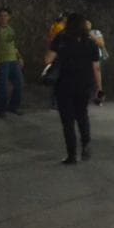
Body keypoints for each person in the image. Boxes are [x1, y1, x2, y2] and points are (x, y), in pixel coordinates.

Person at [45, 13, 101, 164]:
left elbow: (48, 59)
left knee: (67, 120)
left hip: (64, 84)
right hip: (84, 84)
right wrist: (99, 89)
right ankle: (86, 144)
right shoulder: (90, 43)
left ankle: (71, 155)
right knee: (82, 115)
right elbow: (96, 68)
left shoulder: (61, 39)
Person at [0, 7, 24, 117]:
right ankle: (1, 110)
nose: (3, 18)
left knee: (19, 84)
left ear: (9, 17)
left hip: (13, 61)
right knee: (3, 87)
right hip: (2, 62)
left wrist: (19, 57)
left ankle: (13, 106)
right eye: (1, 16)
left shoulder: (11, 30)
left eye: (5, 15)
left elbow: (13, 46)